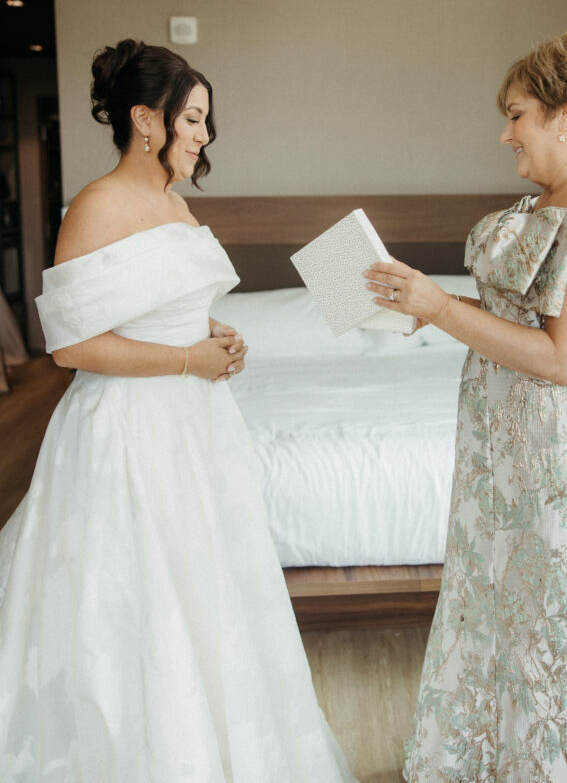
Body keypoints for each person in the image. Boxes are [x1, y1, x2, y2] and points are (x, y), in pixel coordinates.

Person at [0, 40, 356, 783]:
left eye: (203, 121)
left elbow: (163, 310)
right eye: (192, 119)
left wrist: (212, 334)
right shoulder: (96, 206)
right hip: (126, 433)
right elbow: (71, 347)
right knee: (132, 602)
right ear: (145, 119)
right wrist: (189, 359)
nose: (203, 135)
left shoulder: (175, 205)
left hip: (195, 429)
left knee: (208, 596)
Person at [365, 29, 567, 782]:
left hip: (561, 457)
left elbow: (562, 359)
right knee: (487, 613)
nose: (505, 133)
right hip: (499, 449)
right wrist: (420, 300)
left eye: (517, 115)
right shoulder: (545, 200)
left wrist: (438, 308)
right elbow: (514, 320)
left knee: (555, 632)